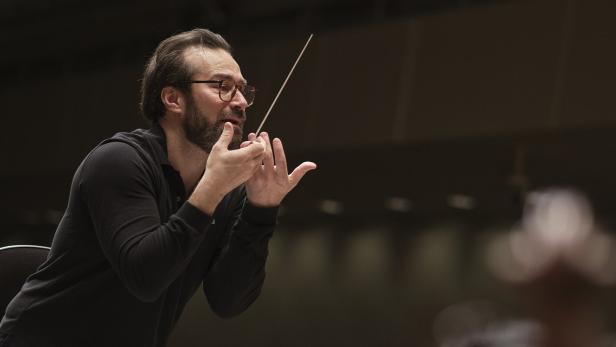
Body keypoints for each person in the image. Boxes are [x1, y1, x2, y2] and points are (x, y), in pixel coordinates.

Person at [0, 28, 316, 347]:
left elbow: (228, 301)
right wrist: (212, 189)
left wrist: (261, 211)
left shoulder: (225, 188)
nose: (240, 102)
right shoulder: (119, 160)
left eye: (242, 90)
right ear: (173, 99)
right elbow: (145, 278)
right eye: (223, 87)